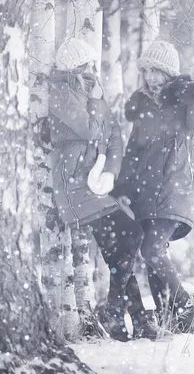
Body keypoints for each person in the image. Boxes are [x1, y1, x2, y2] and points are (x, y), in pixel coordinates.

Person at [48, 38, 165, 341]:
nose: (92, 71)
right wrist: (95, 101)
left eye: (93, 66)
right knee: (131, 236)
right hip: (73, 184)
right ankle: (114, 310)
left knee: (119, 250)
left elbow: (113, 137)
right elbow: (90, 128)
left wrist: (111, 172)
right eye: (87, 66)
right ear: (75, 67)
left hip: (97, 183)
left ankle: (135, 321)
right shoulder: (62, 91)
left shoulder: (90, 92)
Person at [113, 41, 194, 334]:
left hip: (175, 184)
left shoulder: (183, 98)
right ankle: (169, 316)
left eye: (157, 71)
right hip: (145, 188)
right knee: (154, 252)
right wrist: (122, 188)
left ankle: (185, 303)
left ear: (169, 73)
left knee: (152, 249)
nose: (151, 78)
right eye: (146, 71)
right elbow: (133, 151)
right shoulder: (142, 104)